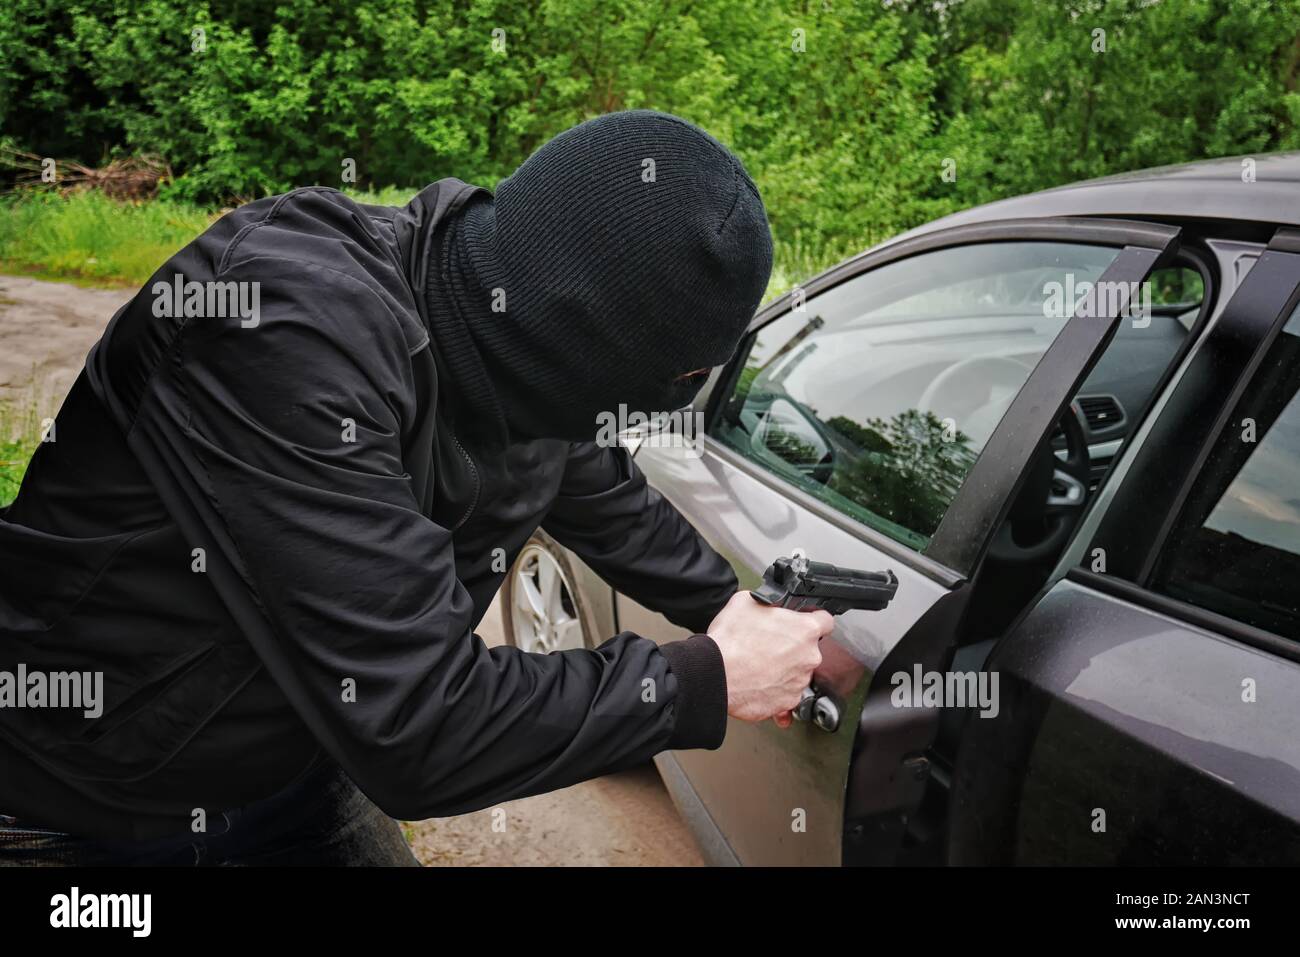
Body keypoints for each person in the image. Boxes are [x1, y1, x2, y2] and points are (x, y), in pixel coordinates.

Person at [0, 110, 832, 865]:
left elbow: (605, 498)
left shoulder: (518, 345)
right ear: (588, 348)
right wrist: (706, 678)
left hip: (297, 763)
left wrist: (732, 609)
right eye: (682, 376)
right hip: (73, 796)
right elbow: (417, 726)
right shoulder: (280, 323)